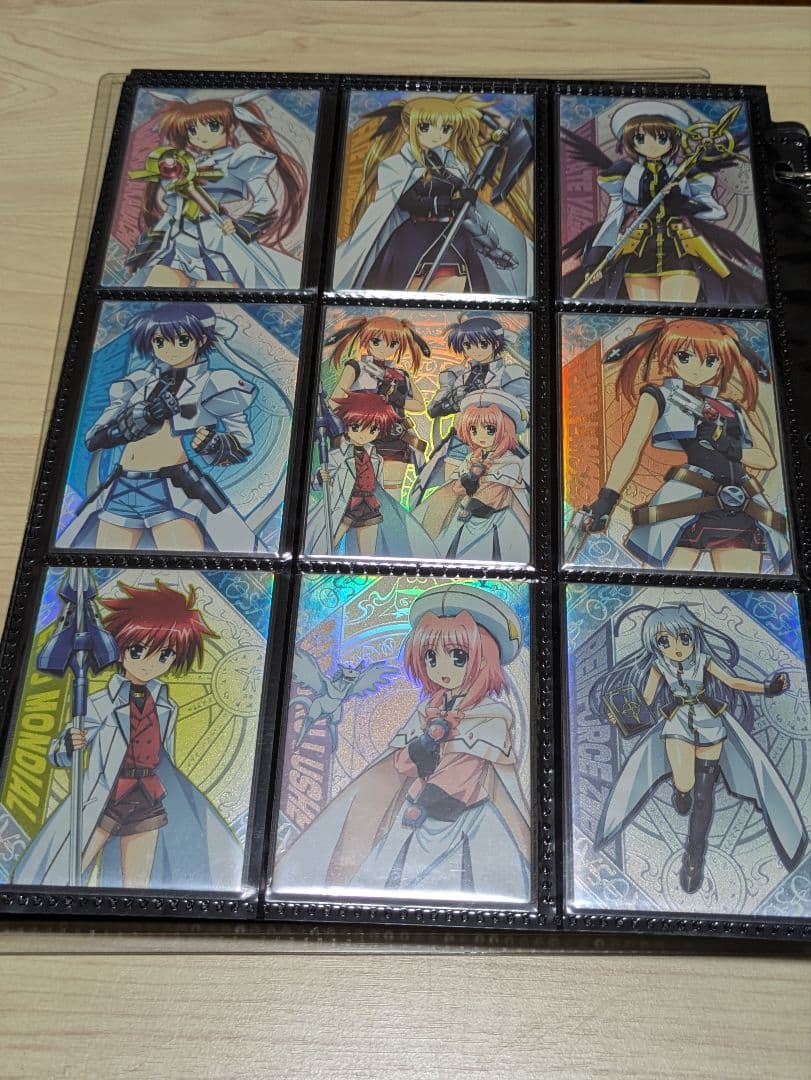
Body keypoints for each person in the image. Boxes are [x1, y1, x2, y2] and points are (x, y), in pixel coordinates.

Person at [273, 584, 531, 900]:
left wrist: (430, 787)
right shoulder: (427, 711)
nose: (442, 669)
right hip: (413, 816)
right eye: (431, 657)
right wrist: (417, 753)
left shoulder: (490, 717)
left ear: (482, 660)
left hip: (465, 821)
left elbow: (477, 777)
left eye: (458, 656)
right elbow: (398, 765)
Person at [12, 580, 244, 890]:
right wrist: (68, 744)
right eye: (138, 650)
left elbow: (164, 756)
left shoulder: (166, 705)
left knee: (137, 885)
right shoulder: (101, 703)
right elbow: (59, 752)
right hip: (106, 794)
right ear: (119, 649)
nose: (151, 663)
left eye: (165, 655)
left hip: (147, 794)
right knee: (69, 872)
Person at [591, 605, 807, 893]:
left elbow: (732, 681)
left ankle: (694, 856)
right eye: (665, 641)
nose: (677, 647)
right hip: (677, 723)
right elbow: (646, 699)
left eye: (683, 637)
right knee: (685, 782)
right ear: (656, 645)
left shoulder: (703, 660)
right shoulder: (659, 666)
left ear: (693, 636)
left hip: (709, 723)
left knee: (704, 796)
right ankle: (681, 793)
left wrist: (767, 688)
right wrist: (619, 714)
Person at [578, 318, 790, 574]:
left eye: (711, 360)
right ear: (668, 358)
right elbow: (631, 449)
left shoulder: (731, 408)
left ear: (721, 363)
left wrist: (727, 447)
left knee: (742, 583)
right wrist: (607, 499)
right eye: (685, 357)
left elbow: (766, 459)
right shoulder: (659, 397)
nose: (698, 368)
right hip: (688, 501)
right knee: (665, 582)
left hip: (742, 505)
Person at [58, 303, 265, 554]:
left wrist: (213, 444)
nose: (169, 349)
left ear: (200, 340)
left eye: (182, 339)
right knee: (105, 561)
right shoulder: (137, 384)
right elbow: (94, 439)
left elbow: (242, 439)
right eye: (159, 341)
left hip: (173, 490)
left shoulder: (214, 383)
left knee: (184, 566)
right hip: (122, 486)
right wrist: (137, 421)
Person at [561, 100, 763, 304]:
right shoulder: (626, 175)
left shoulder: (685, 174)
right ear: (631, 142)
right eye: (640, 138)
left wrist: (683, 204)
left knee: (676, 312)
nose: (651, 145)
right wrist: (594, 259)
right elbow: (614, 218)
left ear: (673, 139)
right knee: (645, 315)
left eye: (661, 137)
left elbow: (715, 211)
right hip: (639, 252)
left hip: (679, 249)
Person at [334, 94, 533, 294]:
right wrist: (450, 204)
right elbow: (408, 202)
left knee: (475, 290)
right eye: (425, 127)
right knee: (398, 291)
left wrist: (491, 247)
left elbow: (467, 213)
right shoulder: (397, 165)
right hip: (414, 237)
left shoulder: (453, 165)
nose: (437, 135)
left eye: (446, 128)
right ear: (407, 127)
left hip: (455, 235)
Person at [126, 90, 307, 289]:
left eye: (212, 126)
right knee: (153, 279)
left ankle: (210, 286)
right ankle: (201, 286)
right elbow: (175, 209)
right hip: (178, 235)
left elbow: (266, 200)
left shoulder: (240, 158)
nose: (201, 136)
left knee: (246, 281)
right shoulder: (189, 163)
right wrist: (151, 240)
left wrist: (241, 226)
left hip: (217, 234)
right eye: (192, 130)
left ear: (231, 127)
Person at [306, 390, 437, 558]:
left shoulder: (375, 456)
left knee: (368, 553)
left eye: (373, 429)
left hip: (369, 504)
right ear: (347, 424)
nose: (364, 434)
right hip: (345, 504)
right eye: (356, 426)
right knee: (328, 544)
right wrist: (320, 478)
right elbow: (319, 480)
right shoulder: (338, 455)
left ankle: (365, 570)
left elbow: (378, 484)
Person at [412, 315, 529, 497]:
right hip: (461, 442)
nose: (475, 350)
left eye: (482, 344)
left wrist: (496, 405)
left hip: (496, 443)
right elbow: (433, 410)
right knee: (452, 493)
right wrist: (455, 400)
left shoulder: (510, 374)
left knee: (492, 495)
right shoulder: (457, 375)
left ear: (495, 344)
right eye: (468, 345)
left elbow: (526, 414)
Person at [414, 389, 530, 563]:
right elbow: (455, 489)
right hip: (463, 520)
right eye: (473, 430)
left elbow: (515, 500)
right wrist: (465, 482)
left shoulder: (510, 463)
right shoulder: (470, 458)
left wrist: (530, 531)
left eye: (490, 429)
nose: (480, 436)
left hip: (493, 524)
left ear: (505, 430)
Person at [325, 314, 429, 495]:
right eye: (377, 341)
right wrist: (364, 409)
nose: (384, 348)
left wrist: (394, 397)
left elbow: (419, 405)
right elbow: (335, 402)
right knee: (361, 492)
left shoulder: (400, 374)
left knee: (391, 494)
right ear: (366, 340)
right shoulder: (356, 367)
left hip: (394, 438)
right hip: (362, 435)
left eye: (393, 343)